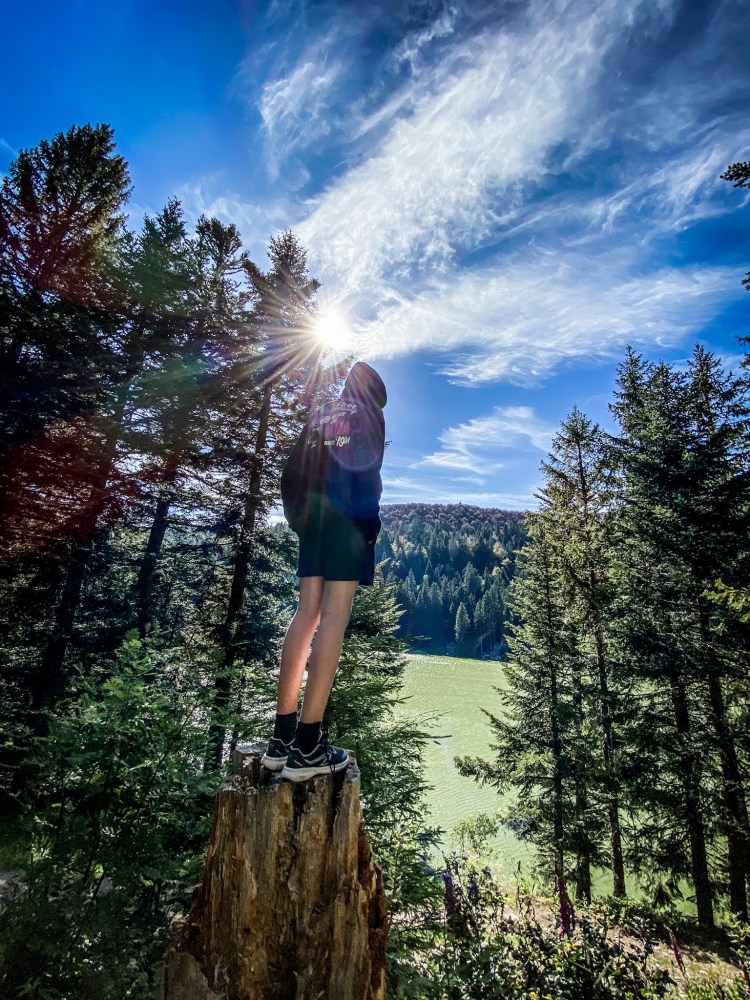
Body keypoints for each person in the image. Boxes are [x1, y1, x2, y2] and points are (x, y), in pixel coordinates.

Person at [261, 361, 387, 781]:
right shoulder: (370, 415)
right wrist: (368, 529)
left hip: (313, 521)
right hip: (346, 525)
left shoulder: (321, 415)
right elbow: (367, 473)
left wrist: (299, 519)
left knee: (306, 612)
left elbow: (290, 472)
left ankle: (282, 737)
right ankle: (309, 745)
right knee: (335, 615)